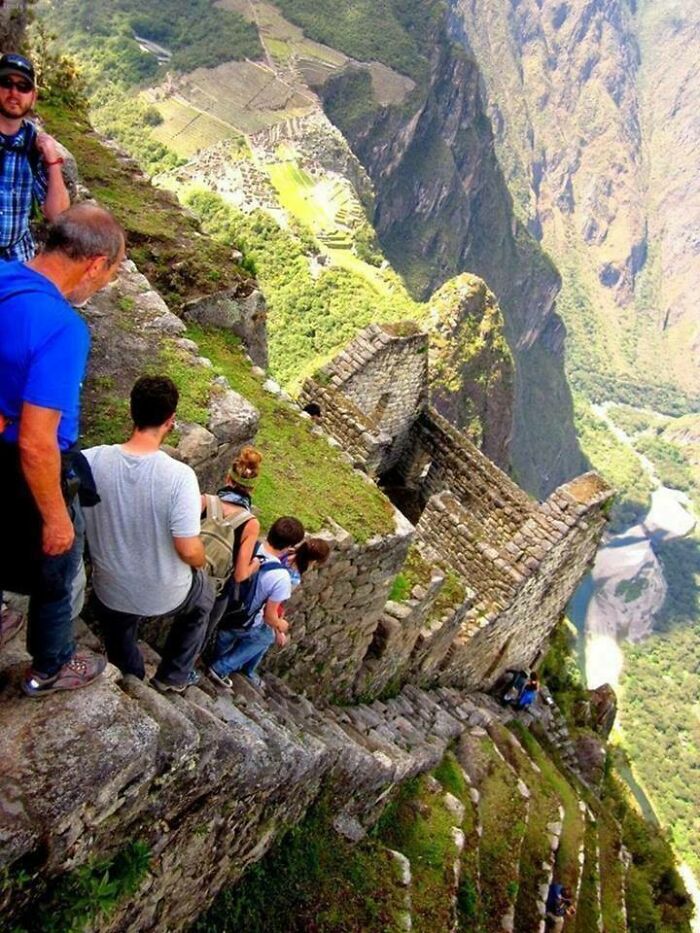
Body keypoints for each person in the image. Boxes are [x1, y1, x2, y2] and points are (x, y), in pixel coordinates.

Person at [0, 204, 125, 696]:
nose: (101, 286)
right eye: (108, 276)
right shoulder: (61, 327)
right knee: (57, 567)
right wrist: (55, 517)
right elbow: (37, 442)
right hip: (21, 465)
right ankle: (50, 666)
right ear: (94, 263)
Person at [83, 376, 215, 693]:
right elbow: (187, 549)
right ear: (170, 421)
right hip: (166, 594)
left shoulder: (90, 461)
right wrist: (201, 560)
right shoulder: (179, 477)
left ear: (132, 411)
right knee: (204, 597)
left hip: (110, 590)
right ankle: (173, 675)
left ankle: (130, 674)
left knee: (118, 625)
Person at [208, 516, 305, 690]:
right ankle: (220, 668)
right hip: (242, 621)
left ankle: (213, 657)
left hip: (222, 608)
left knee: (225, 635)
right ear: (290, 547)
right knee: (266, 636)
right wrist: (281, 625)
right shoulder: (281, 577)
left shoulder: (250, 546)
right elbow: (269, 617)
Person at [0, 53, 70, 262]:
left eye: (23, 87)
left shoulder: (33, 145)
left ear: (33, 96)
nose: (14, 92)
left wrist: (52, 161)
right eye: (6, 83)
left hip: (17, 257)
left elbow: (57, 215)